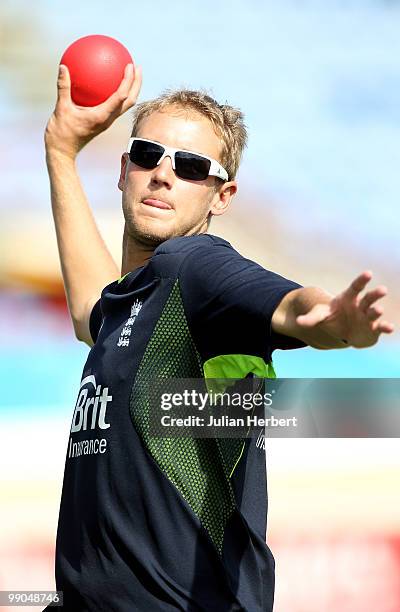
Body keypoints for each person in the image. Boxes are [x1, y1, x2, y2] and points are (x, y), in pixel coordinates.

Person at [44, 62, 394, 612]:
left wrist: (331, 320)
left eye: (189, 166)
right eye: (146, 155)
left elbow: (293, 308)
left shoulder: (194, 267)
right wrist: (62, 154)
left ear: (222, 196)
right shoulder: (132, 304)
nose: (162, 174)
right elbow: (92, 310)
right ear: (122, 170)